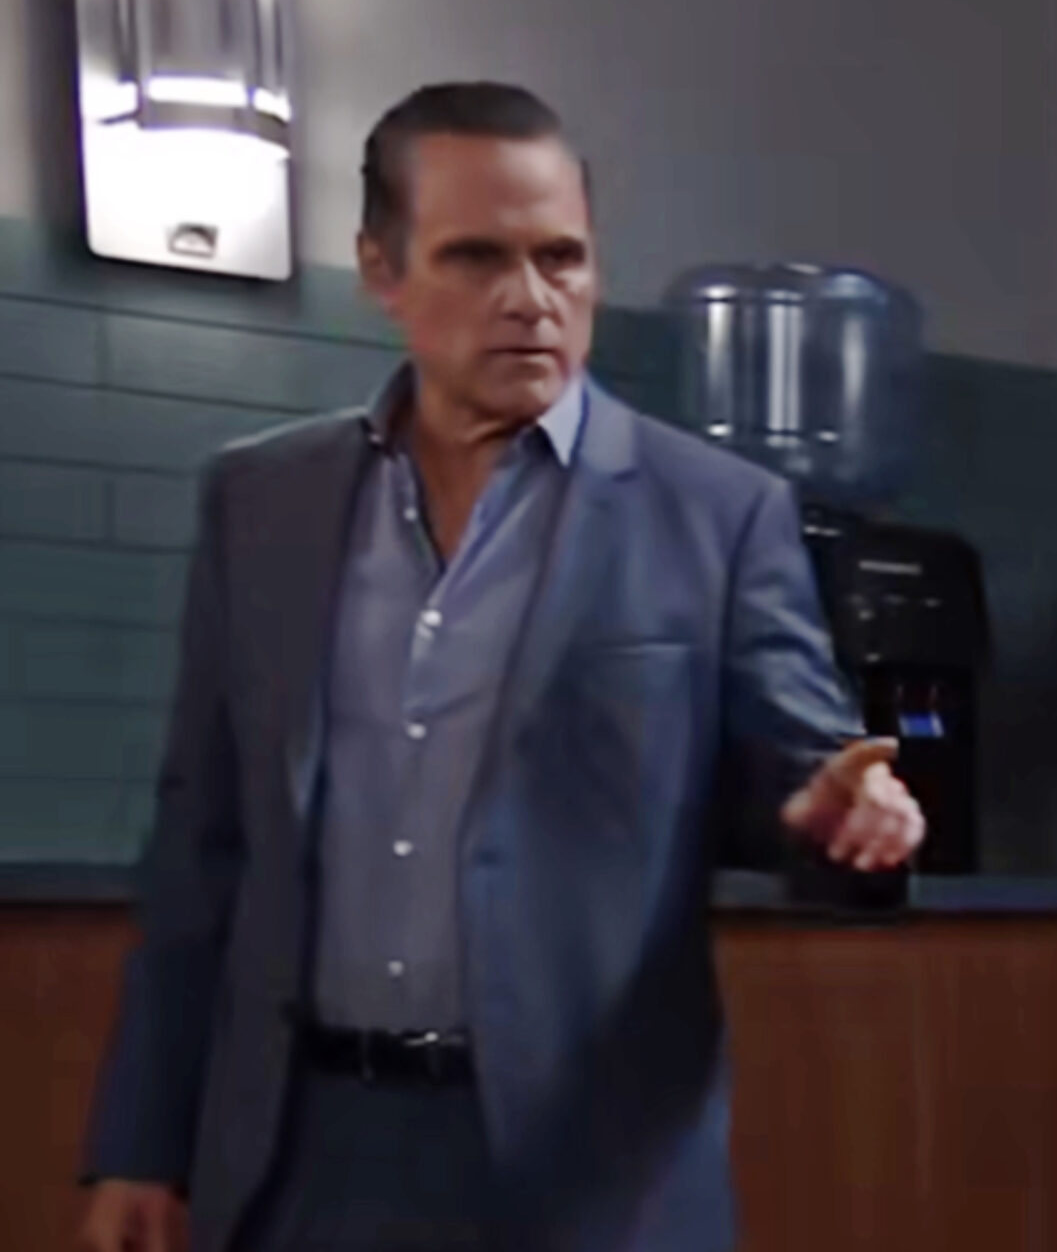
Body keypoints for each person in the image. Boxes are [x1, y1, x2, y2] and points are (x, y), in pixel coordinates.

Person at [76, 82, 924, 1252]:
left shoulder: (718, 515)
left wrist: (837, 814)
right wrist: (142, 1140)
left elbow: (801, 769)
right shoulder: (261, 504)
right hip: (301, 1155)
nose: (530, 299)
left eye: (560, 258)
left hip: (585, 1171)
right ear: (382, 270)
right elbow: (200, 846)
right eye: (477, 257)